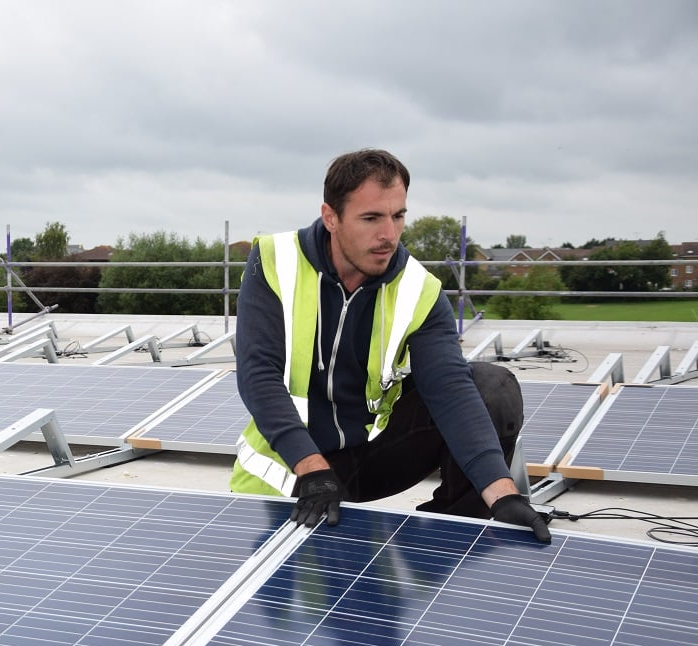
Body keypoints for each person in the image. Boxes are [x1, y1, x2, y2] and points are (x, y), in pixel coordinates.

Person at [231, 148, 551, 544]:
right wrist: (311, 468)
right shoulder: (275, 261)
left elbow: (450, 389)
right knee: (312, 585)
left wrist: (502, 492)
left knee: (492, 387)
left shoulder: (419, 288)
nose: (389, 235)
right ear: (331, 217)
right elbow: (257, 375)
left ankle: (448, 537)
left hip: (373, 454)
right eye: (371, 218)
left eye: (398, 216)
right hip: (294, 466)